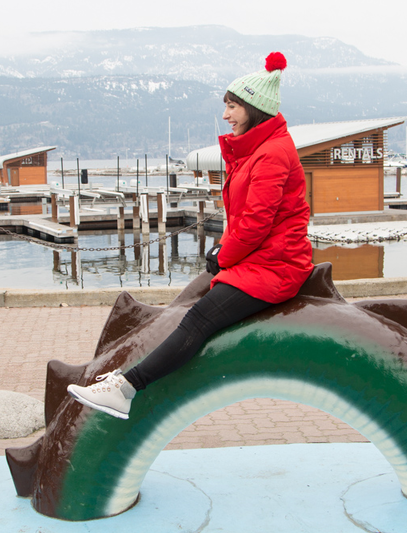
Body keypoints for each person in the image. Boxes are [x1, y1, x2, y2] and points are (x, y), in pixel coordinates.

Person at [67, 53, 313, 419]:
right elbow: (246, 219)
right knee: (190, 302)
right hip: (259, 259)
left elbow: (257, 223)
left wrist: (224, 254)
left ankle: (126, 389)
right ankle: (119, 376)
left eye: (232, 107)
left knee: (199, 320)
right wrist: (223, 251)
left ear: (254, 109)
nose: (226, 115)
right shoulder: (256, 151)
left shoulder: (272, 153)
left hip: (276, 266)